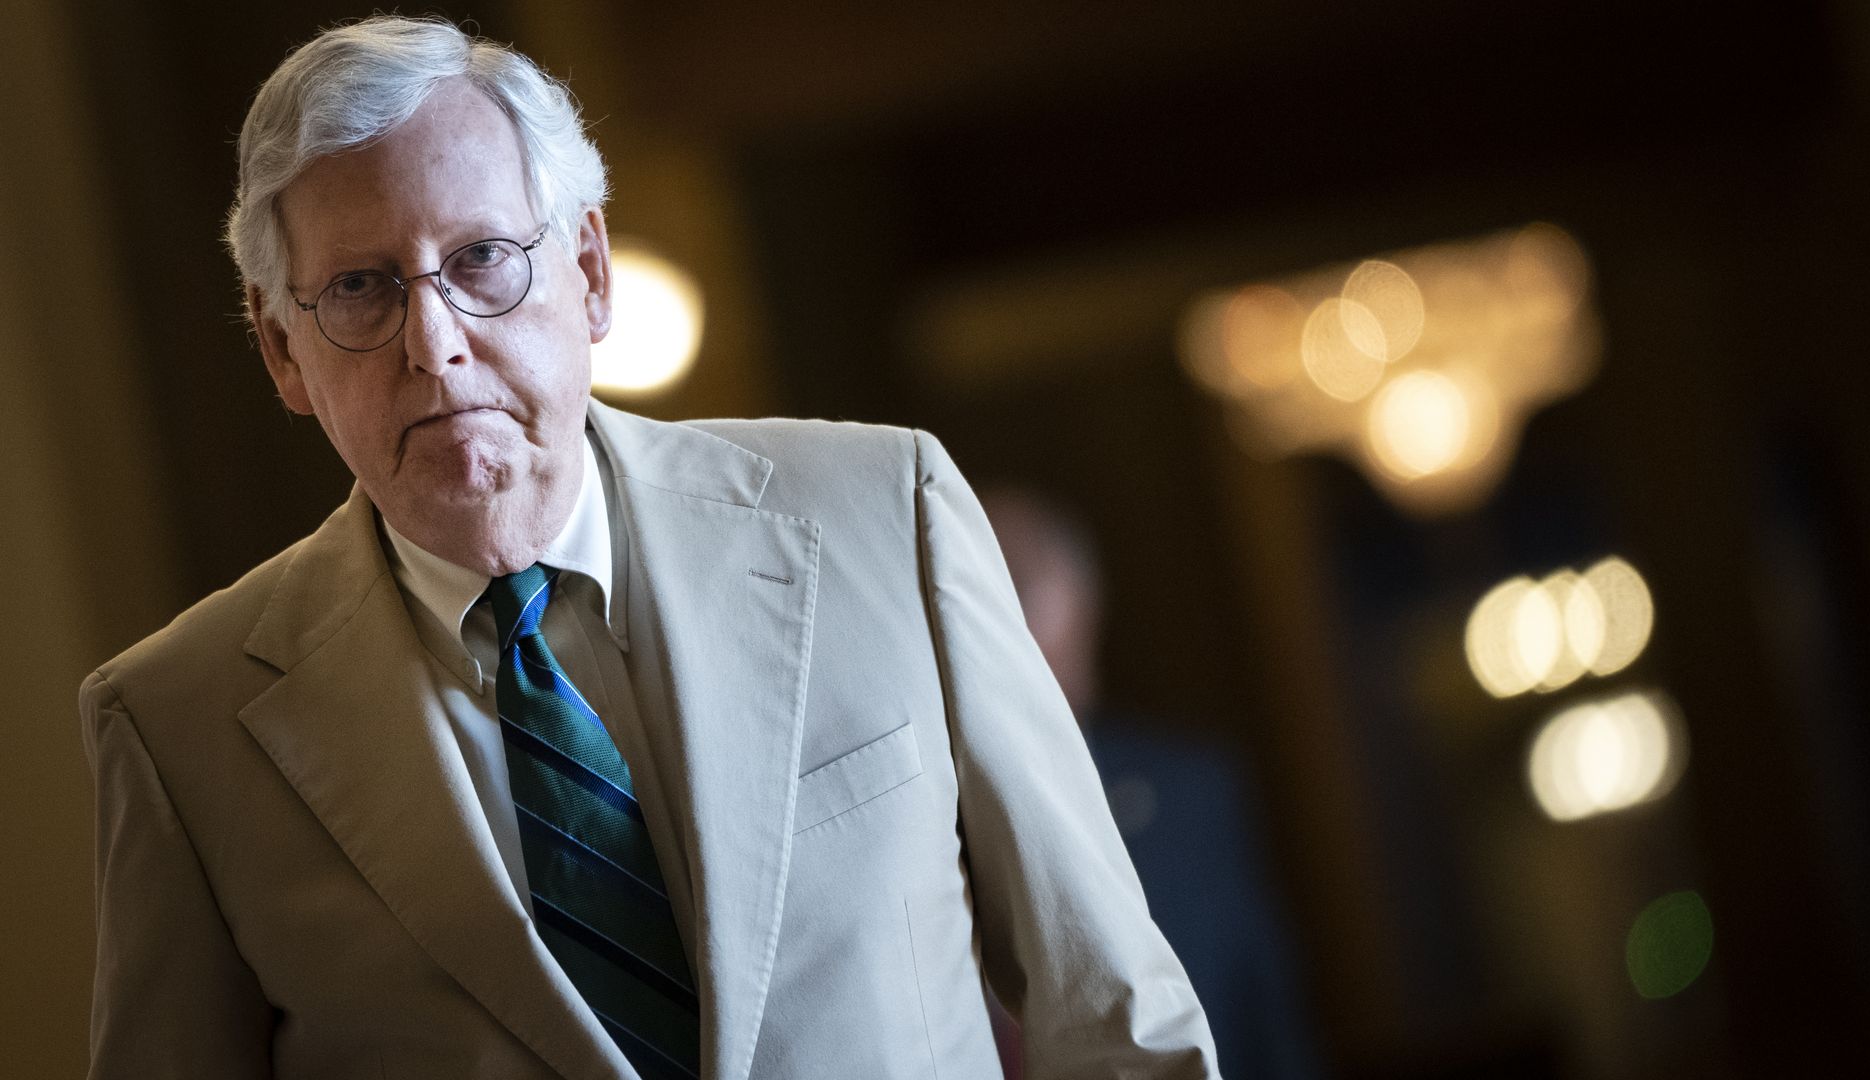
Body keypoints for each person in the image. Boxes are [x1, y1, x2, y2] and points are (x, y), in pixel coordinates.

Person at [79, 16, 1216, 1079]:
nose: (435, 344)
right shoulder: (179, 727)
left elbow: (1113, 1018)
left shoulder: (885, 513)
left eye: (480, 259)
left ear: (589, 272)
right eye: (362, 288)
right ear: (282, 350)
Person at [981, 487, 1323, 1080]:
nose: (989, 623)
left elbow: (1262, 1021)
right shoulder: (894, 823)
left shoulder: (1191, 798)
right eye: (966, 595)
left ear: (1085, 603)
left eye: (1015, 585)